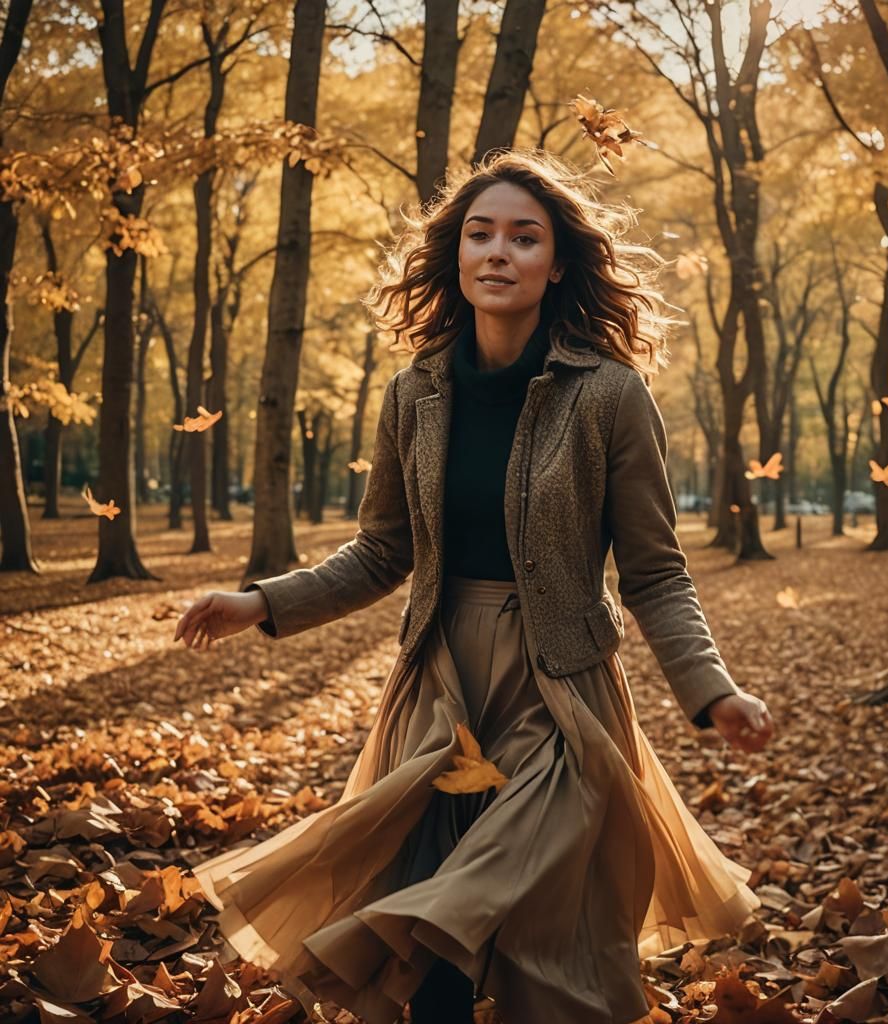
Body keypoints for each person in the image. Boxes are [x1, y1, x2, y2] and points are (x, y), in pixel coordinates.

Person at [173, 148, 773, 1024]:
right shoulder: (412, 394)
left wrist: (710, 690)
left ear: (557, 262)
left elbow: (654, 572)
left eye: (523, 238)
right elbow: (382, 552)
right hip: (441, 683)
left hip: (560, 690)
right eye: (479, 234)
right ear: (454, 255)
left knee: (528, 932)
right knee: (435, 948)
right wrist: (262, 603)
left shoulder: (609, 396)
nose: (498, 252)